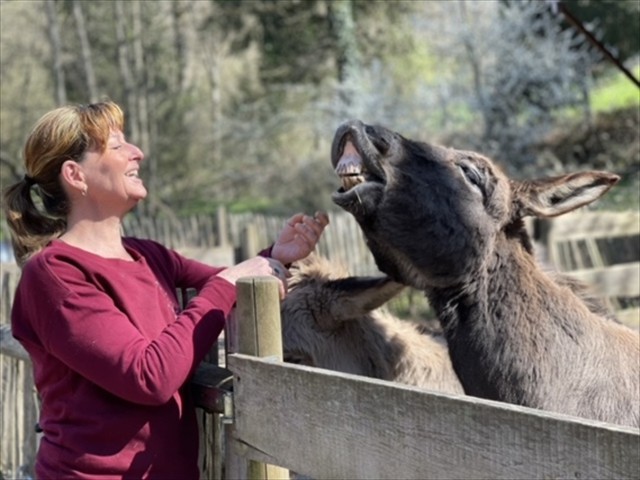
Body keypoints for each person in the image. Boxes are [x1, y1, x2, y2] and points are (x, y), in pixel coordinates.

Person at [2, 101, 329, 479]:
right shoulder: (55, 274)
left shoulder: (148, 255)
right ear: (75, 175)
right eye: (116, 145)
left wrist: (276, 256)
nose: (137, 152)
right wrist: (229, 282)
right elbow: (148, 377)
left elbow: (224, 284)